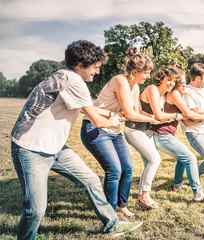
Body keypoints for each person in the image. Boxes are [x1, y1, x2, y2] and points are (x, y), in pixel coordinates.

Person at [10, 40, 142, 240]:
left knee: (91, 181)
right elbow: (96, 121)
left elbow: (86, 107)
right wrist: (114, 119)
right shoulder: (74, 81)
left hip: (55, 148)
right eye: (96, 67)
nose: (97, 72)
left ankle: (112, 225)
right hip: (30, 148)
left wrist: (108, 113)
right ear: (80, 65)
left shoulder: (65, 76)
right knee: (35, 209)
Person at [80, 48, 158, 218]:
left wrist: (154, 116)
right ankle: (110, 210)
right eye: (147, 72)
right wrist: (152, 120)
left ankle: (121, 206)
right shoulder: (120, 81)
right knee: (114, 169)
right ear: (136, 71)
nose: (148, 76)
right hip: (96, 128)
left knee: (128, 168)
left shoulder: (135, 87)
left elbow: (136, 111)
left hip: (115, 130)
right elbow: (129, 114)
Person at [124, 66, 184, 210]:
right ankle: (144, 196)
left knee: (150, 162)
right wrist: (176, 116)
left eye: (173, 81)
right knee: (154, 159)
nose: (171, 83)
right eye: (168, 80)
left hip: (147, 132)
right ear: (160, 78)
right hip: (135, 130)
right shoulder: (152, 89)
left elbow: (156, 118)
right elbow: (159, 116)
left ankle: (142, 196)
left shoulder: (163, 95)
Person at [154, 65, 204, 202]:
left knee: (182, 157)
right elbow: (187, 114)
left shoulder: (177, 93)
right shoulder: (174, 94)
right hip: (162, 135)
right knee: (190, 158)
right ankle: (199, 194)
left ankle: (177, 184)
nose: (185, 88)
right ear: (176, 84)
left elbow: (187, 116)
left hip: (166, 134)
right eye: (183, 84)